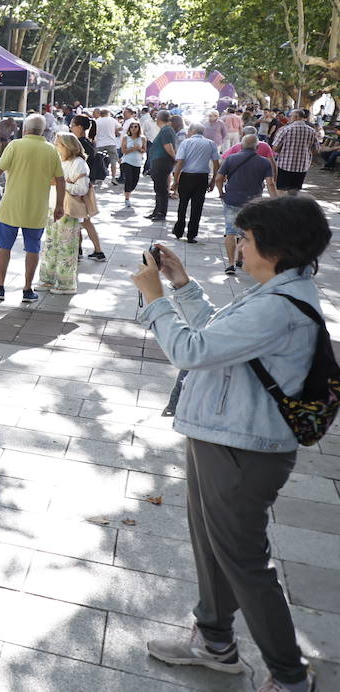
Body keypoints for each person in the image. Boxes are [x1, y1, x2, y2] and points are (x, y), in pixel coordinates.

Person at [134, 196, 329, 692]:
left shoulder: (282, 306)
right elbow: (219, 334)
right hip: (223, 434)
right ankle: (215, 642)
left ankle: (289, 677)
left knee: (243, 561)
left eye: (245, 237)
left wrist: (155, 298)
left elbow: (191, 349)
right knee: (212, 546)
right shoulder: (275, 291)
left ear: (275, 246)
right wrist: (182, 284)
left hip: (244, 449)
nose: (238, 245)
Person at [0, 114, 66, 303]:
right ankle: (28, 289)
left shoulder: (15, 145)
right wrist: (60, 205)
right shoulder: (50, 150)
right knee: (33, 249)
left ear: (25, 129)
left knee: (4, 248)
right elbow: (60, 180)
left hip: (10, 207)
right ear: (43, 130)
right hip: (36, 209)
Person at [214, 134, 277, 275]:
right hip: (253, 203)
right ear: (257, 147)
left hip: (232, 199)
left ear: (241, 145)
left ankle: (230, 264)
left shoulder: (231, 158)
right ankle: (240, 260)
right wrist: (275, 201)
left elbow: (219, 178)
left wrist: (221, 192)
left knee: (230, 231)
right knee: (246, 232)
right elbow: (270, 183)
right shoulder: (264, 162)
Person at [39, 133, 93, 294]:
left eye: (58, 144)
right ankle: (48, 279)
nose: (55, 146)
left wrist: (61, 184)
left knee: (66, 247)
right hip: (53, 207)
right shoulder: (61, 161)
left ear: (67, 146)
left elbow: (82, 188)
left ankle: (66, 283)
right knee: (50, 245)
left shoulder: (79, 163)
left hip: (68, 211)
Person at [171, 124, 220, 243]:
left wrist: (175, 180)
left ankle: (179, 230)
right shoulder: (210, 143)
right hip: (202, 177)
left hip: (187, 176)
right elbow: (216, 164)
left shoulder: (186, 143)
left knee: (182, 204)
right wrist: (213, 180)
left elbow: (180, 162)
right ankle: (192, 234)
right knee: (197, 207)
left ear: (192, 131)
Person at [69, 115, 107, 260]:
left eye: (72, 125)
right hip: (84, 186)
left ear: (79, 127)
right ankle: (78, 249)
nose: (70, 127)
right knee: (78, 219)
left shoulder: (79, 144)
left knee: (84, 220)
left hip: (81, 187)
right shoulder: (87, 142)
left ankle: (98, 251)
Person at [270, 109, 320, 194]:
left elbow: (275, 148)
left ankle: (282, 206)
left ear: (296, 117)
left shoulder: (285, 129)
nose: (289, 118)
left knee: (282, 189)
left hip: (285, 164)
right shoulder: (312, 131)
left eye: (290, 116)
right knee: (295, 191)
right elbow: (316, 150)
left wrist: (283, 149)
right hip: (302, 166)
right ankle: (292, 205)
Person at [146, 109, 178, 221]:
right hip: (159, 162)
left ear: (159, 119)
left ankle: (161, 212)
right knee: (158, 188)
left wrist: (176, 158)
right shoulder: (165, 129)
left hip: (162, 162)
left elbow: (168, 146)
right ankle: (157, 211)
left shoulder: (166, 130)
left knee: (162, 189)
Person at [119, 120, 147, 208]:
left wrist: (139, 149)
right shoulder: (126, 137)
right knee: (129, 180)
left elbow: (144, 150)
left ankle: (128, 191)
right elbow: (123, 151)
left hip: (137, 162)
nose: (133, 129)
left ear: (139, 128)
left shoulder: (142, 138)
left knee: (135, 181)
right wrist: (133, 148)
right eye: (132, 127)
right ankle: (127, 198)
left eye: (136, 127)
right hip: (127, 161)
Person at [94, 109, 121, 185]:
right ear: (108, 113)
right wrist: (114, 131)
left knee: (98, 160)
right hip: (111, 142)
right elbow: (120, 127)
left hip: (100, 143)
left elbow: (94, 131)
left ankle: (97, 177)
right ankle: (113, 178)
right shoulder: (112, 120)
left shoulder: (97, 121)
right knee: (113, 161)